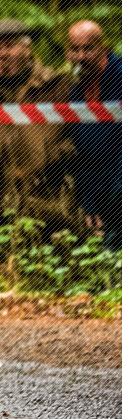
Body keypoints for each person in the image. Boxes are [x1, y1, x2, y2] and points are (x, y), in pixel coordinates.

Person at [0, 18, 76, 233]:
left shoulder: (55, 85)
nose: (3, 54)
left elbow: (78, 137)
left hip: (45, 203)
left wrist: (51, 157)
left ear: (27, 48)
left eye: (9, 46)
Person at [65, 20, 122, 248]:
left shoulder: (118, 76)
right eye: (75, 49)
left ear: (103, 48)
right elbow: (82, 152)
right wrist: (88, 199)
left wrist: (113, 202)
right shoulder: (75, 89)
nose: (81, 57)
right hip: (97, 184)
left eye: (88, 49)